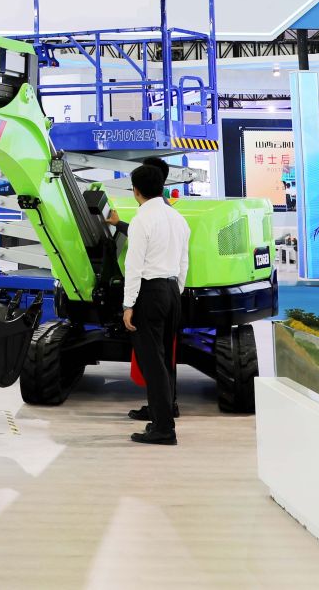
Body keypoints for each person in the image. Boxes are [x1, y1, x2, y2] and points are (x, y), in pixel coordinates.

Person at [121, 159, 188, 446]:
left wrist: (128, 305)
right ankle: (162, 416)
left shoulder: (141, 220)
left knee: (153, 363)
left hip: (150, 293)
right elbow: (184, 262)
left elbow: (133, 265)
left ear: (136, 191)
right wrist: (174, 290)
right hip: (172, 291)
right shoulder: (177, 218)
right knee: (165, 360)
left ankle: (163, 428)